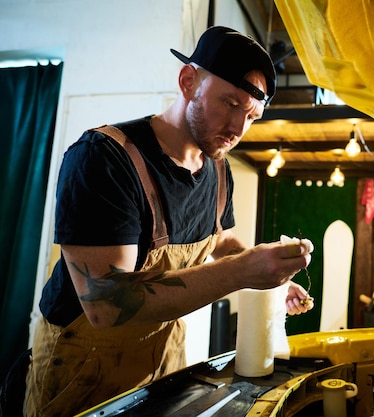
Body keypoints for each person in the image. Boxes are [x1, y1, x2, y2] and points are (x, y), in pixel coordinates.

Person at [24, 26, 314, 417]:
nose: (237, 129)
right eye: (229, 103)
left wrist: (273, 277)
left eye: (251, 115)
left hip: (164, 363)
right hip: (83, 372)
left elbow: (220, 243)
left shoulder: (217, 171)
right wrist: (242, 272)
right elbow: (106, 304)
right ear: (188, 81)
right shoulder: (105, 158)